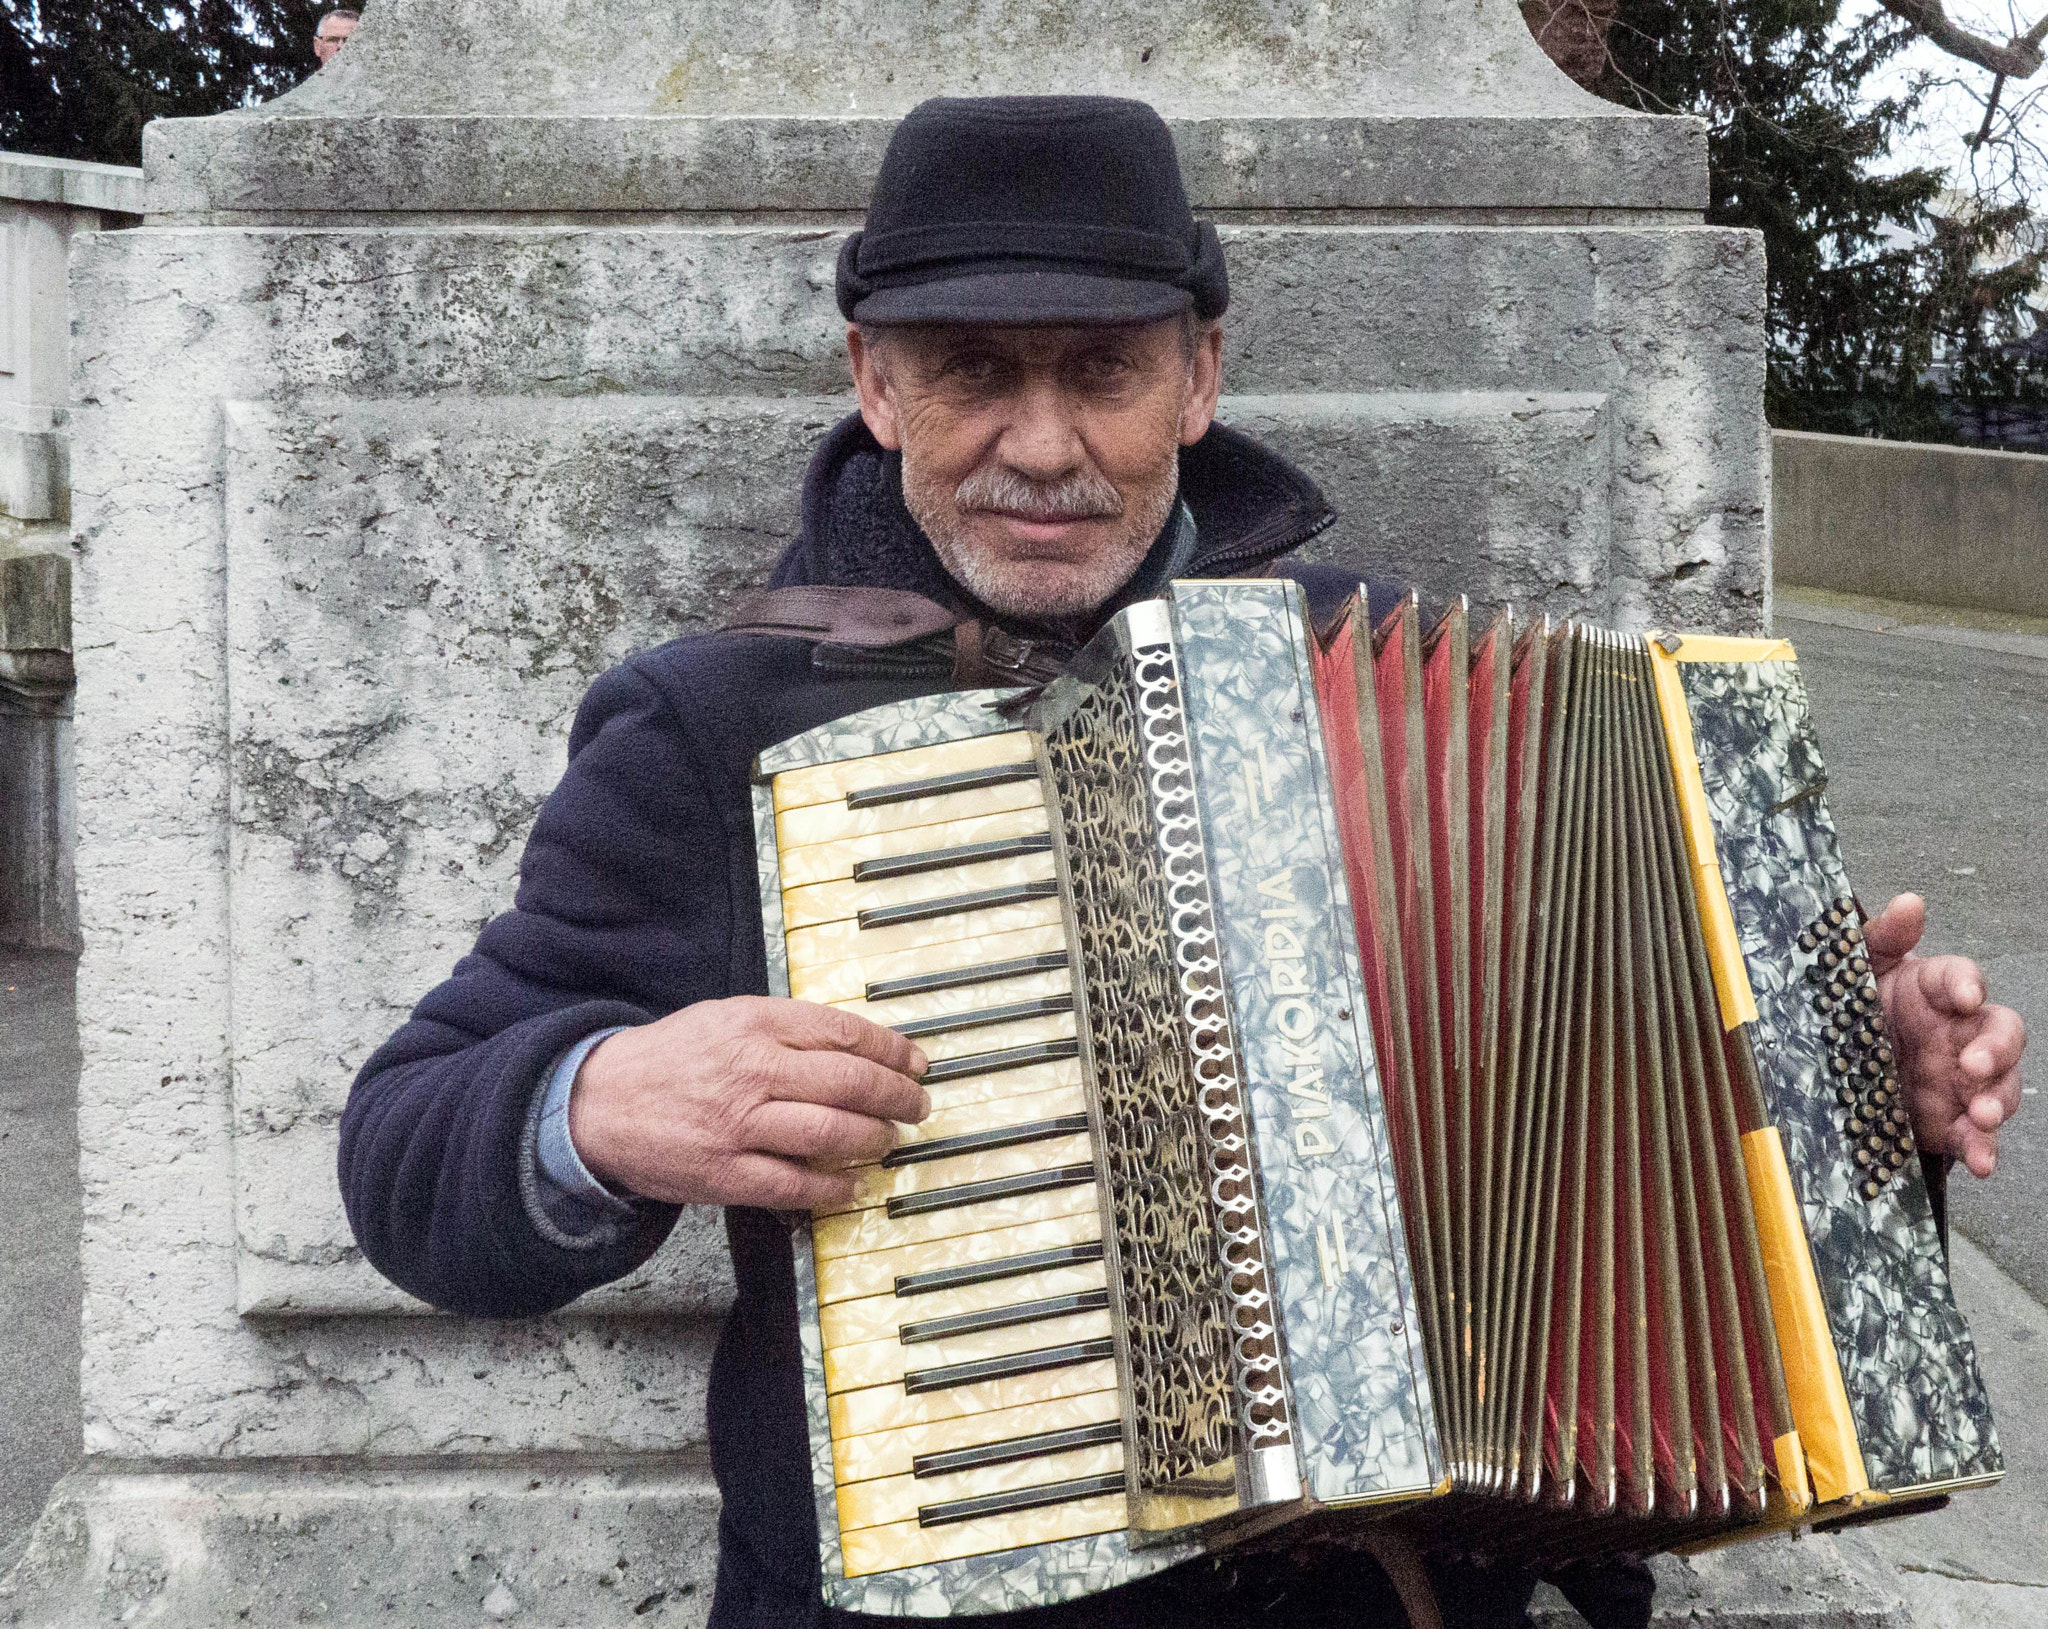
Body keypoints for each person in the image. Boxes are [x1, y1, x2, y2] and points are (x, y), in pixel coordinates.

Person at [337, 97, 2027, 1629]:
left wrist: (1835, 1084)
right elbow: (404, 1151)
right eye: (975, 370)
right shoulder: (719, 725)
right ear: (874, 380)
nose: (1046, 444)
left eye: (1103, 369)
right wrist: (599, 1102)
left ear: (1200, 376)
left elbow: (1607, 1133)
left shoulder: (1390, 683)